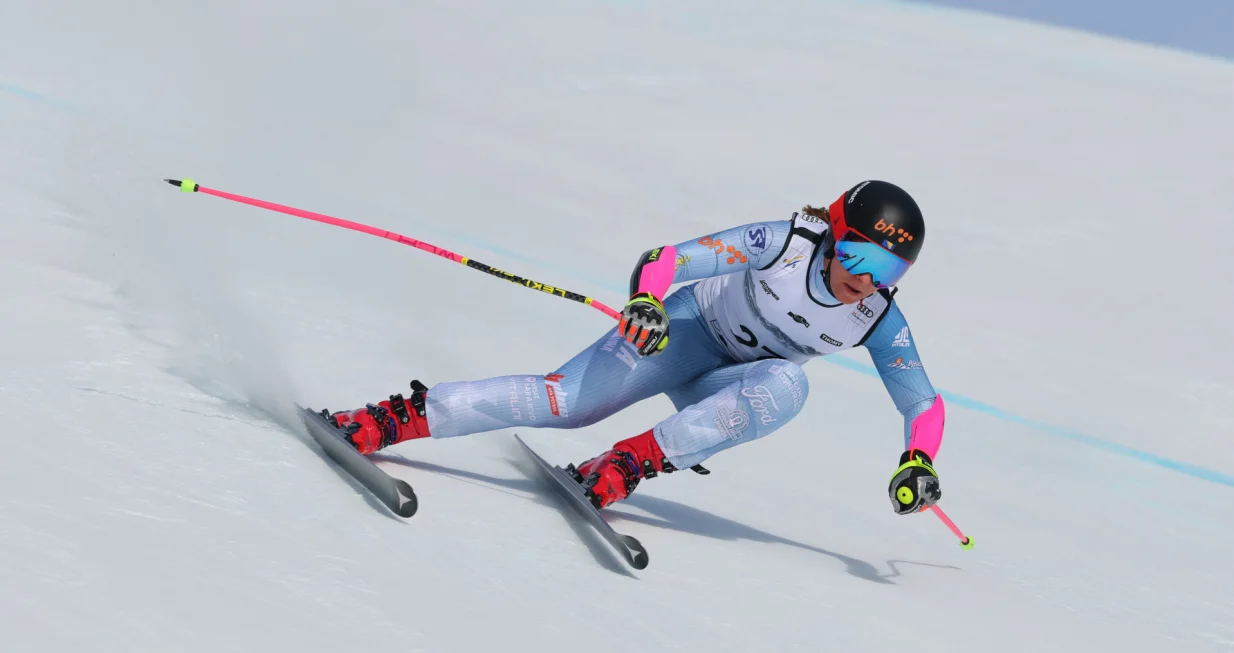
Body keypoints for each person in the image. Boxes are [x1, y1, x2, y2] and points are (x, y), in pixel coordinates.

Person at [324, 180, 945, 515]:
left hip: (723, 385)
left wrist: (919, 460)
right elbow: (668, 259)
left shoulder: (875, 317)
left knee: (790, 387)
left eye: (889, 274)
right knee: (566, 403)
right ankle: (391, 420)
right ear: (835, 232)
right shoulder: (784, 243)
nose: (866, 281)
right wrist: (646, 302)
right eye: (861, 257)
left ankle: (624, 464)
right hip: (680, 335)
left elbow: (923, 404)